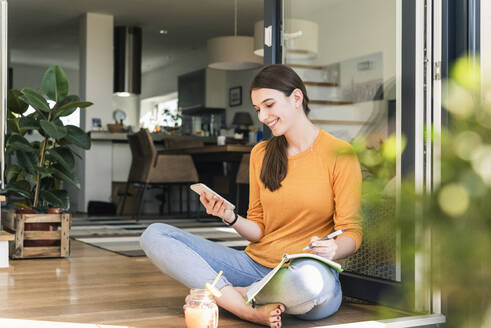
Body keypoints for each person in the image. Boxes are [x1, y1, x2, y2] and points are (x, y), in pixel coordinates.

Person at [140, 64, 362, 327]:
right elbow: (259, 230)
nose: (263, 117)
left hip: (304, 272)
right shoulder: (261, 153)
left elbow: (352, 231)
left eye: (269, 105)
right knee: (154, 234)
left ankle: (231, 295)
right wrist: (230, 217)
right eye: (258, 109)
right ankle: (247, 309)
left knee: (310, 285)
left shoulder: (339, 153)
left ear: (296, 98)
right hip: (253, 265)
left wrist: (335, 248)